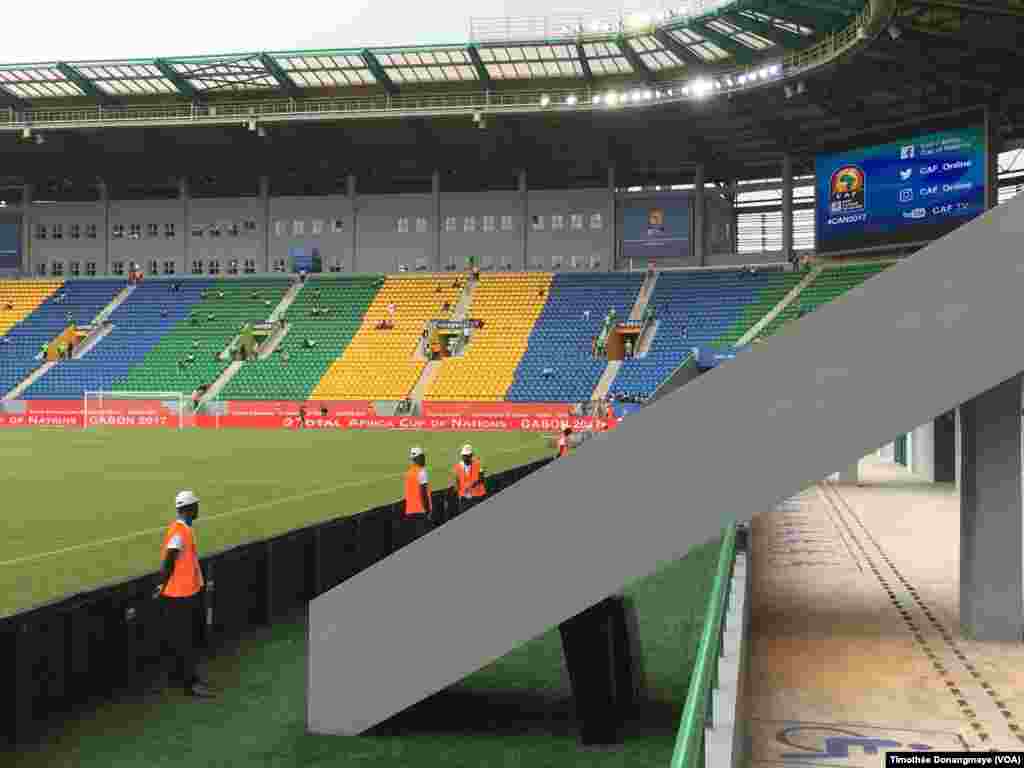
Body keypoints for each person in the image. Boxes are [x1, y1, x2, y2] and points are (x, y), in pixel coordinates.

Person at [150, 491, 216, 698]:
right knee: (186, 640)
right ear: (189, 509)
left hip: (186, 592)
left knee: (182, 638)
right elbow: (170, 557)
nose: (198, 509)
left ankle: (180, 679)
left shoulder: (184, 529)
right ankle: (189, 684)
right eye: (196, 506)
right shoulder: (179, 531)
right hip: (181, 595)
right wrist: (162, 584)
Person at [404, 447, 433, 543]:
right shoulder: (422, 472)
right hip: (421, 512)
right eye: (422, 457)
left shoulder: (409, 473)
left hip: (409, 511)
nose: (424, 459)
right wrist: (428, 510)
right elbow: (423, 493)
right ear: (417, 458)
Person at [453, 444, 486, 517]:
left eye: (467, 456)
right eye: (463, 456)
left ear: (471, 456)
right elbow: (457, 479)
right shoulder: (458, 466)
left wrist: (472, 485)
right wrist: (457, 488)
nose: (465, 458)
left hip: (476, 497)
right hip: (464, 499)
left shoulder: (478, 464)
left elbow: (482, 479)